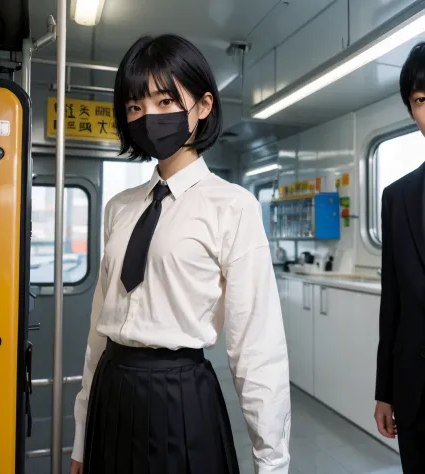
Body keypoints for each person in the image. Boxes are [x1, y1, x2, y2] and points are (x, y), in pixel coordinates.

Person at [70, 34, 291, 474]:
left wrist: (272, 463)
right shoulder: (121, 207)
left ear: (203, 106)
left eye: (165, 101)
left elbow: (257, 346)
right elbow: (99, 328)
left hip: (182, 397)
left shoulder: (232, 206)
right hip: (112, 391)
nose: (148, 116)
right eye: (135, 106)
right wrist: (80, 441)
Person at [374, 41, 425, 472]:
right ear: (411, 110)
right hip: (415, 392)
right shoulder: (397, 197)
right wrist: (384, 390)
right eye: (421, 100)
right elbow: (392, 302)